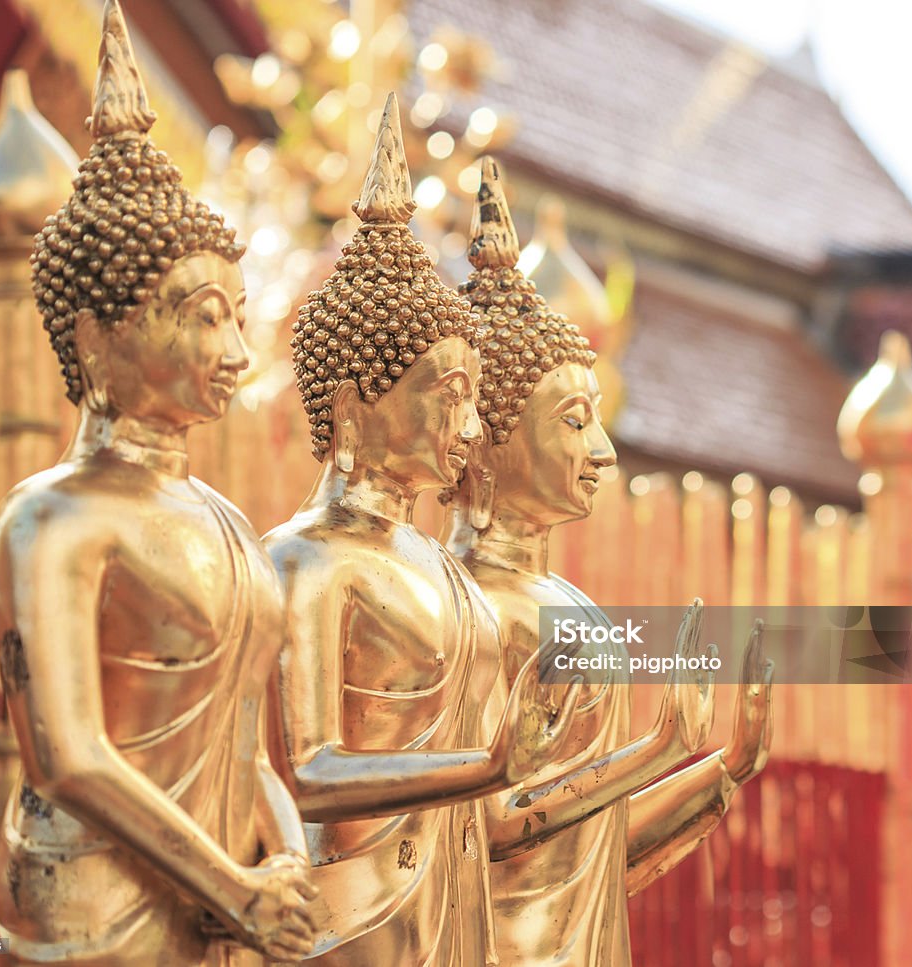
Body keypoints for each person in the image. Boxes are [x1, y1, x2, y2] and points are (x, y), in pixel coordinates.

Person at [0, 3, 315, 963]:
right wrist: (233, 884)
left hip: (224, 895)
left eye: (238, 318)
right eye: (201, 318)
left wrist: (284, 865)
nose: (235, 352)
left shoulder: (227, 524)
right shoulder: (49, 518)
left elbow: (251, 746)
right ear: (97, 336)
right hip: (91, 903)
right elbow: (70, 754)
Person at [262, 94, 579, 966]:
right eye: (449, 398)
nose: (471, 430)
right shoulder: (304, 561)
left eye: (477, 401)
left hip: (456, 904)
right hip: (351, 914)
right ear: (355, 408)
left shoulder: (443, 569)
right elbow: (306, 771)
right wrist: (483, 765)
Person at [442, 157, 774, 966]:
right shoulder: (453, 604)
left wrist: (725, 765)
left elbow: (591, 851)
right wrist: (654, 752)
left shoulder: (567, 605)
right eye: (574, 421)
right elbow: (472, 832)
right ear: (486, 434)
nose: (603, 451)